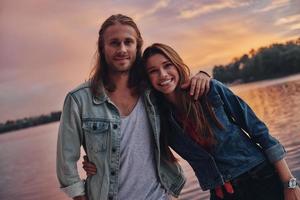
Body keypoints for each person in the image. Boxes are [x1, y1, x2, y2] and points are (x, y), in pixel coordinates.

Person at [84, 43, 300, 200]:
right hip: (223, 192)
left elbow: (260, 132)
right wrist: (98, 158)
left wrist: (289, 183)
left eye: (167, 65)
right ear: (147, 79)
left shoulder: (210, 90)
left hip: (262, 178)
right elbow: (133, 148)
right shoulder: (159, 118)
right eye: (153, 71)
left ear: (177, 66)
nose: (162, 74)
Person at [56, 14, 210, 200]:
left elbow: (180, 85)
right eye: (114, 43)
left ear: (137, 47)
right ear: (102, 48)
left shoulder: (153, 90)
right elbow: (66, 165)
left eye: (128, 42)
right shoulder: (79, 100)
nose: (122, 49)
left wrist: (203, 75)